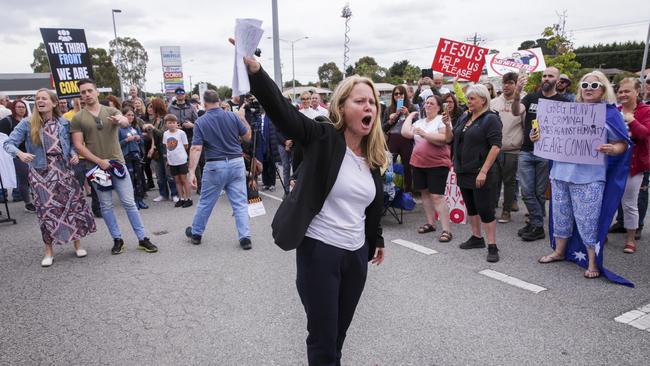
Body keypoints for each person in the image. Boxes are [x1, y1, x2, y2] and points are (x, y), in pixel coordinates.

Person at [243, 42, 386, 365]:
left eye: (372, 102)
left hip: (355, 257)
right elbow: (284, 113)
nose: (369, 107)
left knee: (338, 335)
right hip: (320, 252)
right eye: (360, 101)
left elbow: (370, 205)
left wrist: (375, 238)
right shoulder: (322, 137)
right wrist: (256, 72)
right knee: (322, 339)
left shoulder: (374, 155)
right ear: (341, 107)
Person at [538, 71, 629, 279]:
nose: (589, 88)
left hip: (589, 177)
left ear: (604, 90)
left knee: (587, 220)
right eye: (585, 85)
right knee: (560, 215)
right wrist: (537, 135)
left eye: (594, 85)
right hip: (560, 173)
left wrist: (613, 149)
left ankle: (592, 261)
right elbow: (547, 133)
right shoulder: (566, 110)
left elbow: (623, 144)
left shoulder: (610, 114)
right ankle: (559, 251)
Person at [4, 89, 96, 267]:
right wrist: (20, 154)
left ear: (54, 103)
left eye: (44, 98)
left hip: (63, 170)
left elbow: (70, 145)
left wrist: (73, 154)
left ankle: (77, 244)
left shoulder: (64, 122)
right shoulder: (27, 123)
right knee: (46, 212)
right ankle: (49, 251)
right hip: (40, 173)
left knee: (71, 208)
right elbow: (8, 143)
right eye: (37, 99)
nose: (40, 101)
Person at [71, 78, 159, 255]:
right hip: (96, 168)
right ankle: (117, 239)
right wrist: (98, 161)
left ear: (96, 92)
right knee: (106, 205)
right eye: (83, 92)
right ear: (80, 95)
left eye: (90, 91)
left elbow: (124, 122)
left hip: (117, 163)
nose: (87, 95)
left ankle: (142, 238)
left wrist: (121, 120)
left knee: (129, 202)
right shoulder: (78, 118)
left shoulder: (111, 110)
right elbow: (79, 146)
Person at [184, 90, 252, 249]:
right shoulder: (233, 116)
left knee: (206, 201)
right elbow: (247, 137)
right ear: (219, 100)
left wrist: (192, 172)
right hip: (236, 162)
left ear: (204, 103)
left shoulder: (201, 121)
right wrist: (243, 118)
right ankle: (245, 238)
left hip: (215, 165)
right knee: (240, 203)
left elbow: (195, 148)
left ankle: (196, 233)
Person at [512, 67, 568, 242]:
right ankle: (536, 224)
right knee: (526, 191)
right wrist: (517, 93)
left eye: (550, 76)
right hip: (527, 150)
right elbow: (516, 111)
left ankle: (535, 224)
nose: (546, 78)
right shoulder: (531, 97)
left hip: (547, 153)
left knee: (539, 192)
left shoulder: (563, 102)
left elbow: (566, 130)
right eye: (544, 75)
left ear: (557, 80)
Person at [452, 84, 502, 262]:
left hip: (481, 172)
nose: (468, 101)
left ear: (483, 100)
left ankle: (492, 245)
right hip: (464, 170)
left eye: (472, 98)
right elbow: (454, 138)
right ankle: (476, 238)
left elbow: (496, 146)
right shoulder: (465, 117)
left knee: (485, 209)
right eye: (468, 98)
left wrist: (484, 171)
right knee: (471, 207)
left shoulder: (491, 119)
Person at [401, 95, 454, 242]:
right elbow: (405, 133)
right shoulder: (420, 122)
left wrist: (425, 134)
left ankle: (446, 230)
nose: (428, 105)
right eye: (426, 103)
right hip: (419, 163)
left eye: (431, 103)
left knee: (437, 196)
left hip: (437, 164)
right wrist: (410, 115)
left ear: (438, 107)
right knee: (424, 194)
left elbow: (445, 139)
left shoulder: (441, 121)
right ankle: (431, 223)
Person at [611, 77, 650, 253]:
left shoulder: (646, 110)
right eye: (620, 91)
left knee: (629, 203)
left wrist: (631, 120)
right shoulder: (614, 110)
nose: (623, 94)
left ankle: (631, 239)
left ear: (637, 92)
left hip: (634, 165)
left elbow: (643, 134)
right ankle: (602, 232)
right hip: (612, 164)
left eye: (627, 91)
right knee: (608, 201)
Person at [490, 72, 525, 223]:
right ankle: (491, 208)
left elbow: (526, 126)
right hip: (494, 149)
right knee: (493, 180)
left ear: (517, 84)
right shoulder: (494, 102)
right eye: (504, 82)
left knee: (509, 182)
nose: (506, 85)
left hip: (513, 149)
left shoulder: (523, 102)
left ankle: (506, 211)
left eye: (510, 82)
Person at [0, 100, 35, 212]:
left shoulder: (29, 120)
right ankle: (28, 203)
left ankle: (37, 200)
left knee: (34, 179)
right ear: (13, 108)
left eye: (23, 107)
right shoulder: (7, 121)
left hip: (32, 153)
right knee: (24, 179)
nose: (21, 109)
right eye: (18, 107)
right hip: (16, 155)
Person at [382, 85, 417, 192]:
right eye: (396, 94)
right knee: (389, 165)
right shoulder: (388, 109)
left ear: (405, 95)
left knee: (407, 166)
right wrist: (390, 120)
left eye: (401, 94)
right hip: (393, 139)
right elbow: (383, 127)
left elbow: (417, 125)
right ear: (393, 96)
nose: (398, 96)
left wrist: (408, 114)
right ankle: (389, 190)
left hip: (406, 139)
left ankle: (408, 191)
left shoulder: (411, 108)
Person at [149, 98, 178, 202]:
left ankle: (175, 194)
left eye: (152, 106)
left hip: (166, 148)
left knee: (169, 173)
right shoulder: (154, 119)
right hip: (157, 149)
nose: (150, 108)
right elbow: (153, 136)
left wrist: (153, 128)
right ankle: (163, 194)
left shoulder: (165, 119)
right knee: (159, 174)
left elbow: (164, 134)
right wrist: (152, 147)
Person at [119, 106, 148, 209]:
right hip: (126, 156)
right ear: (123, 116)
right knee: (130, 179)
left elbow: (142, 142)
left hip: (136, 156)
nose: (130, 117)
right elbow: (116, 144)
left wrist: (139, 138)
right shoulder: (118, 129)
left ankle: (140, 199)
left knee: (138, 178)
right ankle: (133, 201)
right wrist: (126, 140)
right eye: (128, 115)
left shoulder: (135, 128)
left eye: (132, 115)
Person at [162, 114, 192, 208]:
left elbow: (186, 145)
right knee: (177, 180)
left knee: (184, 179)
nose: (172, 124)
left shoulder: (181, 133)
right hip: (172, 161)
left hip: (181, 159)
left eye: (174, 122)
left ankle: (188, 198)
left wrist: (181, 154)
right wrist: (168, 159)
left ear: (177, 123)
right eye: (169, 123)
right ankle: (181, 198)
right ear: (166, 124)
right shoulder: (165, 134)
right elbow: (166, 146)